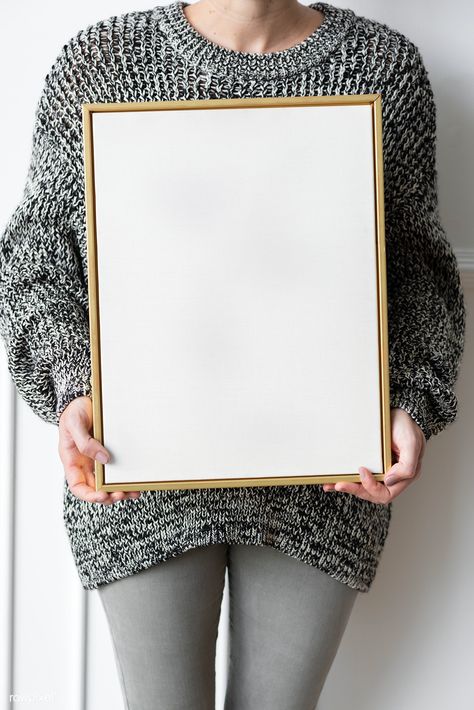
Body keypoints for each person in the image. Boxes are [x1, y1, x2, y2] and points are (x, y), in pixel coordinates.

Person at [0, 1, 466, 708]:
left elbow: (416, 273)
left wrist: (407, 400)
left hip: (328, 478)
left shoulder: (383, 68)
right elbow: (37, 260)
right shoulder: (99, 62)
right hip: (139, 471)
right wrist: (74, 387)